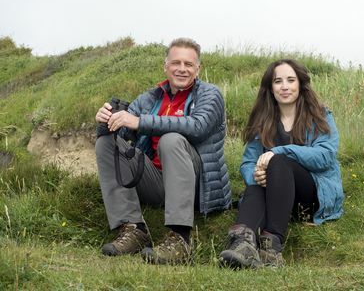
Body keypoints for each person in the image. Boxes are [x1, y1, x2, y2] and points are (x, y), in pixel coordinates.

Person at [95, 37, 231, 264]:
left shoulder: (210, 94)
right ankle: (133, 229)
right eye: (176, 63)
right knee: (105, 144)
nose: (182, 69)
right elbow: (121, 134)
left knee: (171, 139)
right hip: (156, 182)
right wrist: (105, 122)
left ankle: (180, 238)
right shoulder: (149, 98)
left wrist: (139, 122)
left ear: (198, 69)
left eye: (188, 64)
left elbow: (197, 127)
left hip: (196, 186)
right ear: (165, 66)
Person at [219, 59, 344, 268]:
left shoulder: (320, 116)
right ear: (270, 88)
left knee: (278, 161)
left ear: (300, 84)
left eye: (290, 80)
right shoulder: (264, 120)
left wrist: (280, 151)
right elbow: (249, 162)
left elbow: (325, 157)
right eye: (278, 81)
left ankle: (271, 246)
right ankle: (243, 244)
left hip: (310, 197)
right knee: (257, 183)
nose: (284, 86)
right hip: (273, 194)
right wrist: (254, 175)